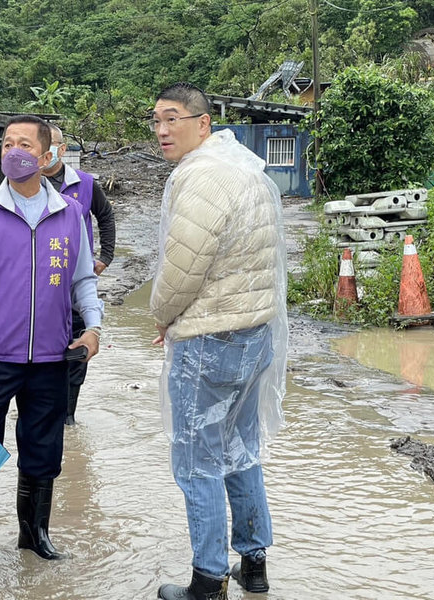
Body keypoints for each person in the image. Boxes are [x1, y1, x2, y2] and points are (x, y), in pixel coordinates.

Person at [0, 115, 104, 570]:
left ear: (47, 155)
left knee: (43, 449)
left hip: (52, 358)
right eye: (7, 143)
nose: (14, 151)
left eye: (25, 144)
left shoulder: (70, 215)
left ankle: (34, 536)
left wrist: (93, 329)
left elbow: (83, 281)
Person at [149, 83, 288, 600]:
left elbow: (182, 268)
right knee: (240, 448)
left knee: (196, 461)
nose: (162, 130)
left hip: (209, 340)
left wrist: (159, 315)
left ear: (202, 123)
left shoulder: (203, 177)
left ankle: (207, 581)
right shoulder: (246, 167)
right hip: (254, 335)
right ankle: (254, 564)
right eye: (156, 120)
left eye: (173, 119)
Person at [41, 124, 116, 426]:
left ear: (62, 149)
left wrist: (105, 257)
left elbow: (106, 215)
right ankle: (41, 407)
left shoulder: (84, 184)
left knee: (77, 346)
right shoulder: (24, 185)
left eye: (51, 144)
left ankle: (68, 416)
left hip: (75, 283)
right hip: (40, 286)